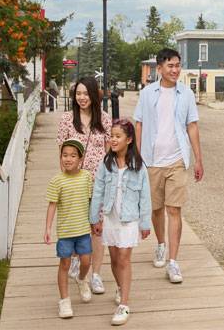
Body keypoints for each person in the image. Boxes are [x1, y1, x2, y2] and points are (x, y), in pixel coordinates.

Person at [134, 48, 204, 284]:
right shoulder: (146, 94)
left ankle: (173, 262)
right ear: (160, 68)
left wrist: (198, 159)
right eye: (170, 66)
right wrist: (137, 156)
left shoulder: (186, 94)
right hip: (152, 161)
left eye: (178, 65)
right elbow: (139, 124)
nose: (175, 70)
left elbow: (192, 126)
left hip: (177, 160)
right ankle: (161, 244)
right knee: (156, 209)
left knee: (174, 209)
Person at [90, 119, 152, 326]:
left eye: (118, 136)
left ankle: (124, 304)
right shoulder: (105, 164)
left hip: (129, 219)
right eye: (112, 136)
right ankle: (120, 287)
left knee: (124, 258)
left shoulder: (139, 167)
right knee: (115, 259)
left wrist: (145, 223)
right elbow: (97, 192)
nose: (113, 140)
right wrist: (94, 218)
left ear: (129, 139)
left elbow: (145, 197)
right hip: (110, 217)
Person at [56, 77, 112, 295]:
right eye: (78, 94)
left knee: (97, 229)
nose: (82, 98)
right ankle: (79, 262)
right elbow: (61, 151)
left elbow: (109, 152)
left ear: (93, 95)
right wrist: (64, 180)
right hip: (75, 182)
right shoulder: (67, 119)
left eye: (85, 94)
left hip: (98, 182)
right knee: (77, 226)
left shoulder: (105, 120)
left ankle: (96, 274)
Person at [44, 139, 94, 319]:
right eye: (65, 155)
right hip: (65, 233)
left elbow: (91, 202)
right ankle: (64, 301)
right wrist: (48, 228)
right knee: (64, 264)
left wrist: (95, 222)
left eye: (73, 155)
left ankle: (81, 279)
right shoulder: (57, 181)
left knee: (86, 261)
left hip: (83, 231)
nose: (68, 159)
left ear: (80, 159)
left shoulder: (87, 177)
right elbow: (52, 205)